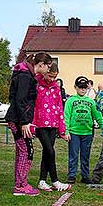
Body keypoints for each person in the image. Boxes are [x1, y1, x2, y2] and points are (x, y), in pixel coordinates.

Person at [5, 52, 52, 196]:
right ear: (41, 65)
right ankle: (20, 186)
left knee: (24, 151)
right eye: (48, 67)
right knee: (26, 150)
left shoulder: (27, 75)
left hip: (20, 119)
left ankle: (21, 183)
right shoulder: (25, 76)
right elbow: (20, 100)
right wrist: (25, 122)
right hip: (19, 120)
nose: (48, 70)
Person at [33, 63, 72, 192]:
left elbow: (60, 107)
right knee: (50, 151)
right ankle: (55, 180)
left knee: (47, 152)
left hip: (53, 124)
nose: (51, 79)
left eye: (54, 77)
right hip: (40, 124)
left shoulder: (56, 87)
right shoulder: (36, 84)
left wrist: (62, 128)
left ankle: (42, 180)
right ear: (44, 72)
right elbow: (33, 105)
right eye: (50, 76)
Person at [64, 76, 103, 184]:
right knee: (73, 155)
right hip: (74, 132)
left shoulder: (91, 102)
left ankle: (85, 175)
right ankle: (72, 175)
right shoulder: (70, 100)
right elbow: (66, 116)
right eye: (80, 87)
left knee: (85, 155)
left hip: (87, 132)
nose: (82, 90)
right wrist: (66, 131)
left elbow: (97, 115)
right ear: (75, 87)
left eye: (84, 87)